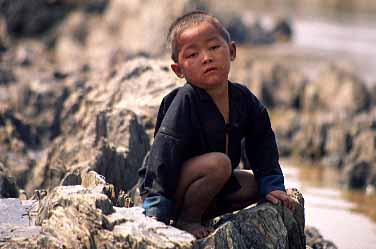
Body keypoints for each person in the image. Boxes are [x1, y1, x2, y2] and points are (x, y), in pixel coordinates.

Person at [138, 10, 295, 239]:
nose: (206, 58)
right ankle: (187, 220)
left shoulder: (242, 98)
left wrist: (272, 184)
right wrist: (156, 205)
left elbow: (262, 141)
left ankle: (200, 213)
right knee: (219, 164)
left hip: (210, 184)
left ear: (231, 51)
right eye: (192, 54)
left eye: (213, 48)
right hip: (171, 185)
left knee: (254, 184)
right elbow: (164, 152)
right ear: (178, 70)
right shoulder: (186, 99)